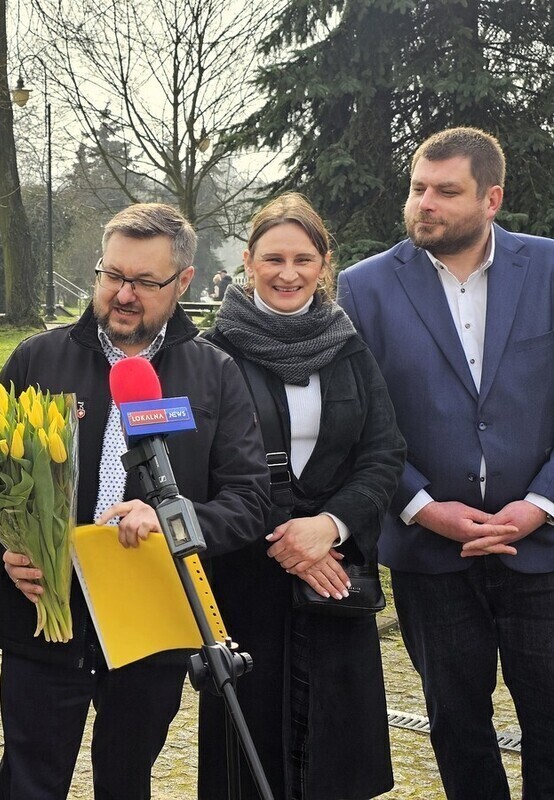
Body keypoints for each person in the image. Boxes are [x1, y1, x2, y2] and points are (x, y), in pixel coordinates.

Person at [0, 202, 271, 800]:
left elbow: (251, 499)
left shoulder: (215, 375)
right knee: (28, 781)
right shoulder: (37, 358)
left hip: (150, 619)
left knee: (126, 782)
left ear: (182, 282)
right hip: (45, 616)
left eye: (144, 282)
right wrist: (11, 549)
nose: (123, 295)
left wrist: (173, 519)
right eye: (112, 275)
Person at [339, 126, 554, 799]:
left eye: (445, 191)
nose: (424, 203)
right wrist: (423, 507)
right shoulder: (365, 287)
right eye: (418, 188)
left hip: (543, 548)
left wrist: (539, 504)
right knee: (456, 725)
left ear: (491, 198)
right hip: (431, 557)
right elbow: (361, 421)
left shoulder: (550, 269)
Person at [201, 193, 405, 799]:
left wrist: (332, 527)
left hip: (336, 579)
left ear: (324, 265)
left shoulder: (349, 350)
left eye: (303, 258)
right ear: (247, 262)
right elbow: (207, 466)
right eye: (273, 258)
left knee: (337, 756)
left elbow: (383, 450)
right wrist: (293, 536)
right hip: (247, 579)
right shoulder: (213, 354)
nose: (287, 273)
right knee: (248, 755)